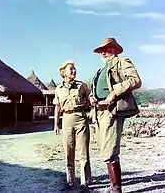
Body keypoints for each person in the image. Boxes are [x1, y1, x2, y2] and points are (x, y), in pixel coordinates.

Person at [89, 38, 142, 193]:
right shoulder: (100, 70)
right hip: (98, 112)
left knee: (110, 149)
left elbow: (135, 80)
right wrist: (92, 96)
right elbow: (97, 89)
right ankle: (113, 185)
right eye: (101, 50)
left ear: (115, 50)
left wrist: (114, 92)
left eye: (107, 49)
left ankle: (117, 189)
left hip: (112, 110)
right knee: (105, 149)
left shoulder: (121, 62)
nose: (104, 52)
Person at [53, 60, 92, 192]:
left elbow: (91, 98)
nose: (74, 71)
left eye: (75, 69)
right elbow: (57, 107)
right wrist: (56, 125)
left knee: (83, 152)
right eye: (71, 69)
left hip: (81, 119)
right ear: (63, 72)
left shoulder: (82, 86)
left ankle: (84, 182)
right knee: (68, 151)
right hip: (66, 120)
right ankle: (70, 182)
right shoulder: (58, 89)